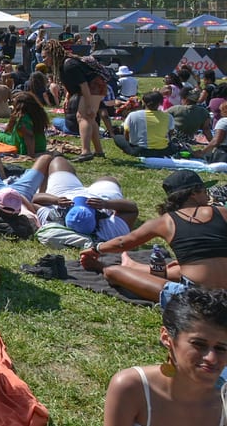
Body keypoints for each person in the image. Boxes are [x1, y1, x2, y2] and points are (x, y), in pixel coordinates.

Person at [80, 170, 227, 306]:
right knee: (180, 268)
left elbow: (123, 242)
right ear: (194, 193)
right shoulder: (222, 212)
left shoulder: (165, 221)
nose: (208, 196)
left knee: (113, 272)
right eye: (205, 191)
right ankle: (134, 266)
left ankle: (103, 267)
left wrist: (96, 248)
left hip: (196, 298)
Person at [103, 288, 227, 426]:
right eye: (199, 344)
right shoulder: (131, 388)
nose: (211, 358)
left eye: (221, 348)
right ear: (166, 337)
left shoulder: (224, 402)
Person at [45, 40, 106, 162]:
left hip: (94, 87)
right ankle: (98, 151)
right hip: (90, 88)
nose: (44, 60)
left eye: (45, 57)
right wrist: (68, 97)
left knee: (82, 116)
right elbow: (70, 84)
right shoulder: (62, 65)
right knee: (90, 118)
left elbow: (84, 86)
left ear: (53, 55)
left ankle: (86, 152)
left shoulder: (69, 64)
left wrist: (88, 105)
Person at [114, 90, 176, 157]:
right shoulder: (168, 117)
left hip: (141, 150)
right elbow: (170, 134)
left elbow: (126, 134)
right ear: (161, 103)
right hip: (163, 150)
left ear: (143, 102)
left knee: (117, 137)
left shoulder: (132, 115)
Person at [0, 91, 50, 157]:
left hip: (24, 147)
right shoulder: (38, 114)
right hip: (41, 146)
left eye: (13, 102)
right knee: (3, 135)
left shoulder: (22, 119)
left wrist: (31, 154)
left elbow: (29, 136)